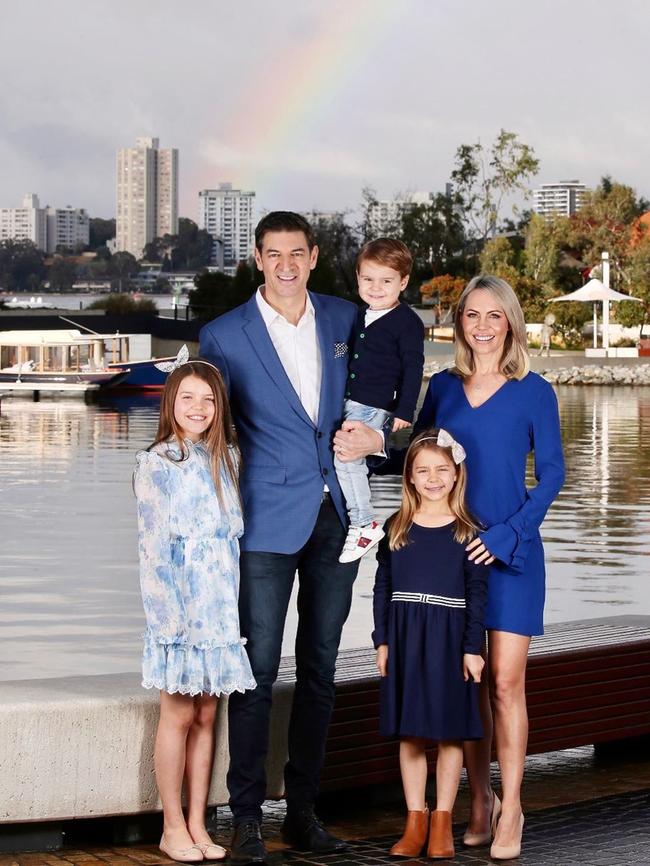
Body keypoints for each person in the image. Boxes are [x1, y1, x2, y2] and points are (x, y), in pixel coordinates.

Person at [335, 274, 565, 860]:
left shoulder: (535, 391)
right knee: (474, 681)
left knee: (507, 684)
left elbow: (555, 475)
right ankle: (479, 800)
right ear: (459, 323)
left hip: (511, 555)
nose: (483, 326)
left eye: (494, 315)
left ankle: (512, 807)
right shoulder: (442, 387)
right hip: (449, 557)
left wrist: (511, 533)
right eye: (471, 315)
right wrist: (366, 445)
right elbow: (417, 453)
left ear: (510, 323)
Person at [199, 212, 384, 865]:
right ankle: (246, 818)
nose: (285, 265)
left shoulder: (345, 319)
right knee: (255, 669)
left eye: (295, 254)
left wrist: (380, 436)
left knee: (322, 667)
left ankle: (303, 812)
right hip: (264, 521)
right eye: (273, 254)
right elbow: (206, 434)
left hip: (339, 513)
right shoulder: (224, 336)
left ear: (311, 258)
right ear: (258, 258)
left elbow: (381, 393)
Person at [134, 355, 256, 864]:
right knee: (179, 713)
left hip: (220, 606)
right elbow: (153, 546)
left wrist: (228, 607)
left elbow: (228, 541)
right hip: (180, 607)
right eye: (188, 397)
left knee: (209, 714)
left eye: (208, 400)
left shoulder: (227, 457)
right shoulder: (156, 463)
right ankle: (171, 825)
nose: (198, 408)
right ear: (171, 402)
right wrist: (168, 618)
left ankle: (199, 823)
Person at [373, 429, 488, 860]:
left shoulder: (470, 529)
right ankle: (415, 820)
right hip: (404, 636)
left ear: (456, 475)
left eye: (442, 469)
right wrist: (381, 640)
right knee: (410, 734)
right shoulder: (396, 526)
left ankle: (442, 821)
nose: (433, 478)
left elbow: (477, 594)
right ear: (410, 478)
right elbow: (383, 586)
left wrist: (472, 647)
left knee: (448, 734)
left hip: (449, 637)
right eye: (422, 470)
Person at [336, 238, 425, 564]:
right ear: (358, 277)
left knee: (346, 458)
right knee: (348, 459)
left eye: (386, 281)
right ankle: (360, 517)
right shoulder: (359, 316)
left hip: (376, 404)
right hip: (353, 402)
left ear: (403, 282)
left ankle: (364, 522)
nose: (376, 288)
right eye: (368, 279)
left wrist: (404, 410)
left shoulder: (407, 322)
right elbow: (347, 354)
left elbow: (414, 368)